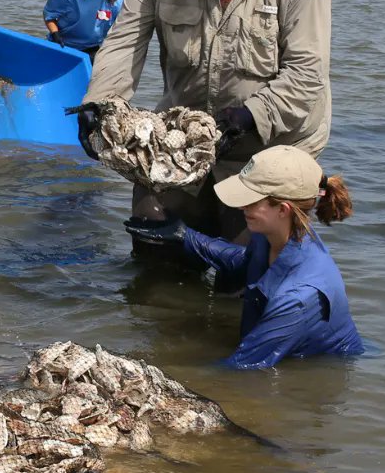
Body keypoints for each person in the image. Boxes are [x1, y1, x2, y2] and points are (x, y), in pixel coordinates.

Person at [79, 0, 331, 242]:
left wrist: (251, 115)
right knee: (153, 236)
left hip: (271, 145)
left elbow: (307, 74)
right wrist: (99, 104)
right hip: (184, 140)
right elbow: (124, 43)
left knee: (251, 271)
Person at [125, 147, 363, 369]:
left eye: (251, 200)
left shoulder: (299, 297)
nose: (241, 206)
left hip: (318, 371)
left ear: (283, 210)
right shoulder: (271, 236)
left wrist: (161, 370)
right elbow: (243, 262)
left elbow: (244, 367)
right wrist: (185, 235)